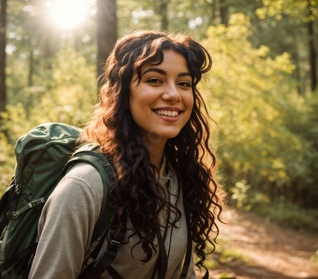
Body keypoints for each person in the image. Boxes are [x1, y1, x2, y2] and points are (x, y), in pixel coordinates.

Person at [29, 30, 224, 278]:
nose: (174, 94)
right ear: (122, 93)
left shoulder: (178, 176)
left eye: (184, 83)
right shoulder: (84, 187)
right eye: (155, 80)